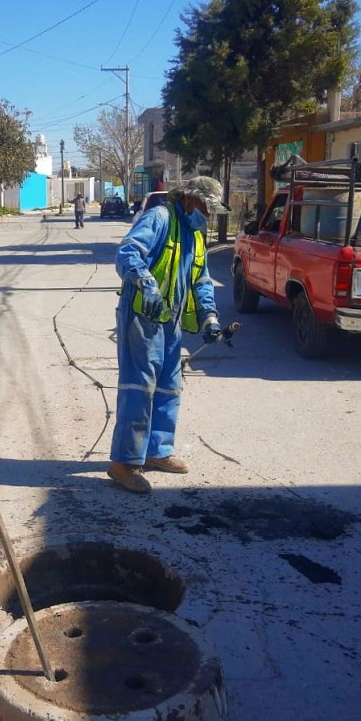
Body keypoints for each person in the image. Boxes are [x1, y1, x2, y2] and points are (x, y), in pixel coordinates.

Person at [107, 177, 227, 493]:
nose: (207, 215)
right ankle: (124, 463)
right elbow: (128, 253)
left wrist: (209, 317)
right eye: (206, 208)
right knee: (140, 387)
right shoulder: (159, 218)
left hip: (170, 320)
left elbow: (201, 280)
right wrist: (145, 283)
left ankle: (157, 451)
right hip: (142, 315)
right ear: (189, 199)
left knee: (169, 388)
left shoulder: (196, 236)